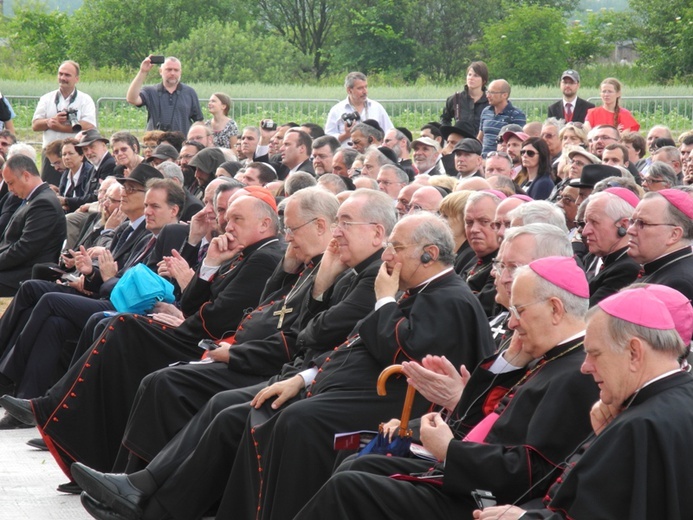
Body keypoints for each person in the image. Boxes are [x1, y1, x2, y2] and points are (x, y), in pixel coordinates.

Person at [0, 189, 284, 479]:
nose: (227, 224)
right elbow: (196, 306)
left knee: (123, 327)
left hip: (213, 345)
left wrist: (185, 316)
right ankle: (76, 439)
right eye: (226, 216)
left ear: (264, 224)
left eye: (237, 218)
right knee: (115, 327)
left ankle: (57, 413)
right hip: (199, 334)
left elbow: (215, 318)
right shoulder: (245, 253)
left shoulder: (262, 258)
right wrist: (209, 265)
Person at [294, 256, 599, 520]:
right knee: (358, 463)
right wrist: (508, 362)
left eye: (519, 311)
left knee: (350, 487)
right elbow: (479, 417)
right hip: (470, 477)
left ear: (556, 309)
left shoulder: (575, 374)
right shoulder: (548, 358)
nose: (511, 324)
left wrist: (450, 450)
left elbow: (531, 472)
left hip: (485, 501)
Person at [475, 285, 693, 519]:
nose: (585, 366)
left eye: (596, 354)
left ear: (634, 352)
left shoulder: (638, 426)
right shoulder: (680, 396)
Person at [0, 154, 66, 296]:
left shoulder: (43, 203)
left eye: (11, 183)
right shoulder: (35, 198)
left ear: (26, 176)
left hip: (28, 272)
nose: (10, 189)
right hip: (18, 266)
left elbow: (25, 248)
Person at [32, 60, 97, 186]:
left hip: (74, 154)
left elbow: (89, 125)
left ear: (76, 78)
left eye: (67, 75)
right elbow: (35, 125)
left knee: (76, 187)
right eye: (60, 74)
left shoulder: (85, 100)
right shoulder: (47, 98)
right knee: (48, 188)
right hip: (50, 155)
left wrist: (61, 127)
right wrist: (49, 121)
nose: (63, 78)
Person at [627, 188, 693, 305]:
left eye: (642, 223)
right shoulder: (659, 267)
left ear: (674, 234)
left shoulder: (678, 284)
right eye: (632, 222)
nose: (630, 230)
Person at [581, 188, 641, 305]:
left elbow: (588, 316)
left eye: (594, 222)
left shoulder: (626, 270)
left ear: (624, 225)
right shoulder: (594, 256)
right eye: (585, 222)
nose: (585, 231)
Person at [126, 56, 203, 134]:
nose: (172, 73)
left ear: (180, 72)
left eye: (176, 70)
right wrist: (143, 72)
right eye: (169, 70)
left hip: (181, 143)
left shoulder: (189, 92)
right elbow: (131, 99)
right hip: (155, 143)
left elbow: (199, 121)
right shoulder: (150, 91)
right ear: (160, 71)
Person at [325, 72, 393, 146]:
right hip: (347, 155)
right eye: (360, 88)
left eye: (366, 87)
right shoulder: (337, 110)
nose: (365, 91)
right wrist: (345, 135)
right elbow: (328, 139)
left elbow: (389, 132)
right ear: (349, 90)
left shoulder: (377, 108)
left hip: (374, 155)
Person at [478, 80, 527, 157]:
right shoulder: (486, 112)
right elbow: (480, 138)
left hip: (503, 160)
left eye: (492, 93)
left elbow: (520, 141)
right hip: (484, 159)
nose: (488, 96)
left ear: (504, 95)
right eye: (487, 92)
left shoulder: (516, 115)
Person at [440, 61, 489, 134]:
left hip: (483, 143)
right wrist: (449, 134)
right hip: (461, 143)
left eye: (476, 75)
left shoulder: (490, 100)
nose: (471, 78)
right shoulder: (455, 99)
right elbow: (445, 119)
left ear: (484, 80)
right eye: (469, 75)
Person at [56, 138, 97, 213]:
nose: (67, 158)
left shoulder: (89, 173)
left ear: (81, 156)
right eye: (64, 154)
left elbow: (88, 198)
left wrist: (66, 201)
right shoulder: (66, 174)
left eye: (70, 153)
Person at [439, 191, 475, 273]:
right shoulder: (455, 252)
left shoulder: (469, 256)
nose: (439, 220)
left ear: (465, 220)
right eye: (440, 214)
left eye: (445, 216)